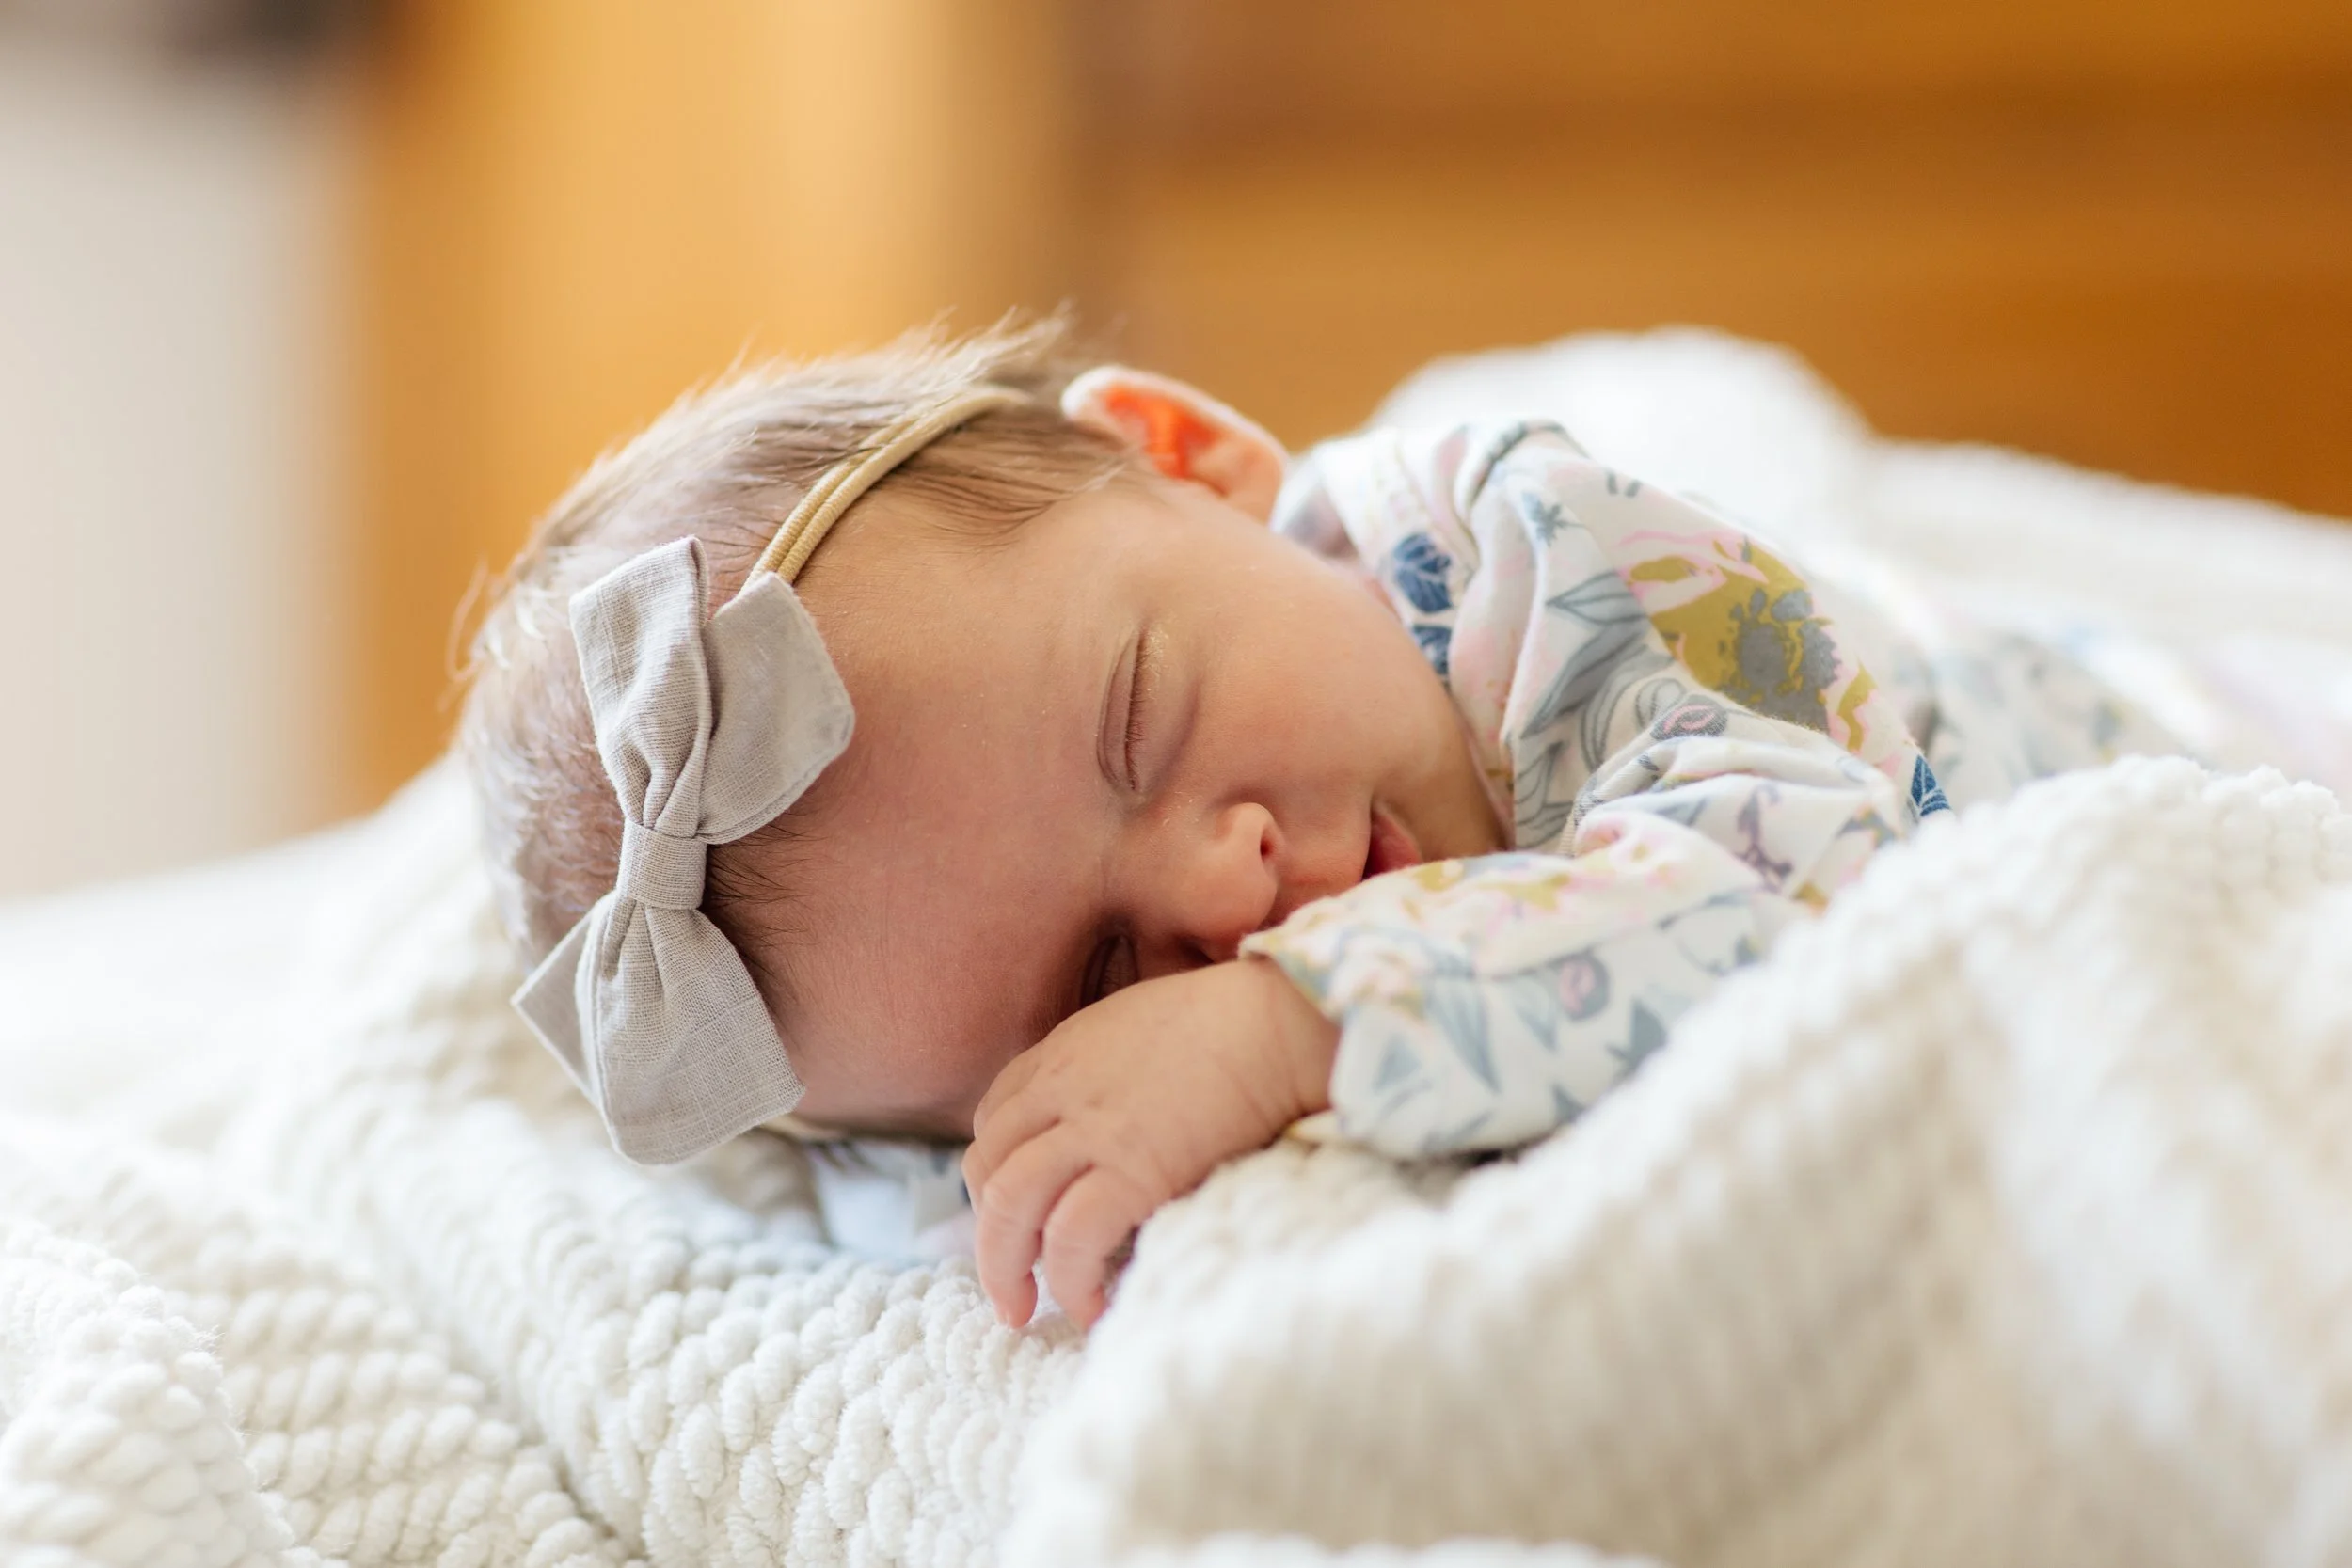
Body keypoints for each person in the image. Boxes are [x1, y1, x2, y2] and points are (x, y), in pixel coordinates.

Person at [460, 318, 2174, 1329]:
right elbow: (983, 1227)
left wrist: (1298, 1020)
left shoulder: (1548, 552)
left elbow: (1816, 895)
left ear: (1191, 457)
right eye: (1099, 981)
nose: (1224, 889)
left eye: (1143, 722)